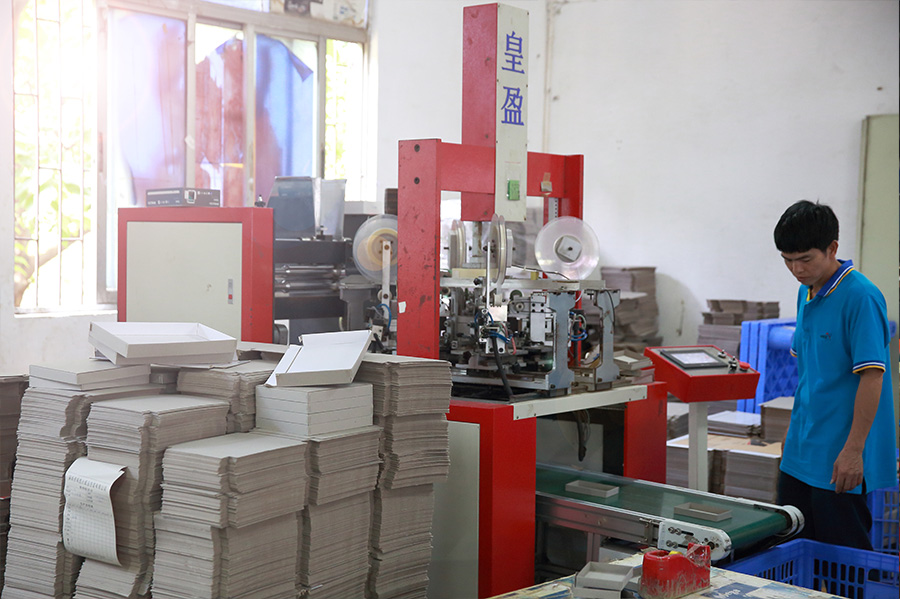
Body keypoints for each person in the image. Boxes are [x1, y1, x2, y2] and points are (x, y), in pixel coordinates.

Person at [773, 200, 897, 549]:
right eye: (787, 260)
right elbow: (809, 372)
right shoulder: (806, 291)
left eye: (805, 259)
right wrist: (792, 430)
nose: (797, 269)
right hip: (803, 447)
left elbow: (872, 378)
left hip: (840, 451)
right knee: (791, 541)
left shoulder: (861, 297)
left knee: (843, 556)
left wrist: (854, 451)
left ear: (832, 248)